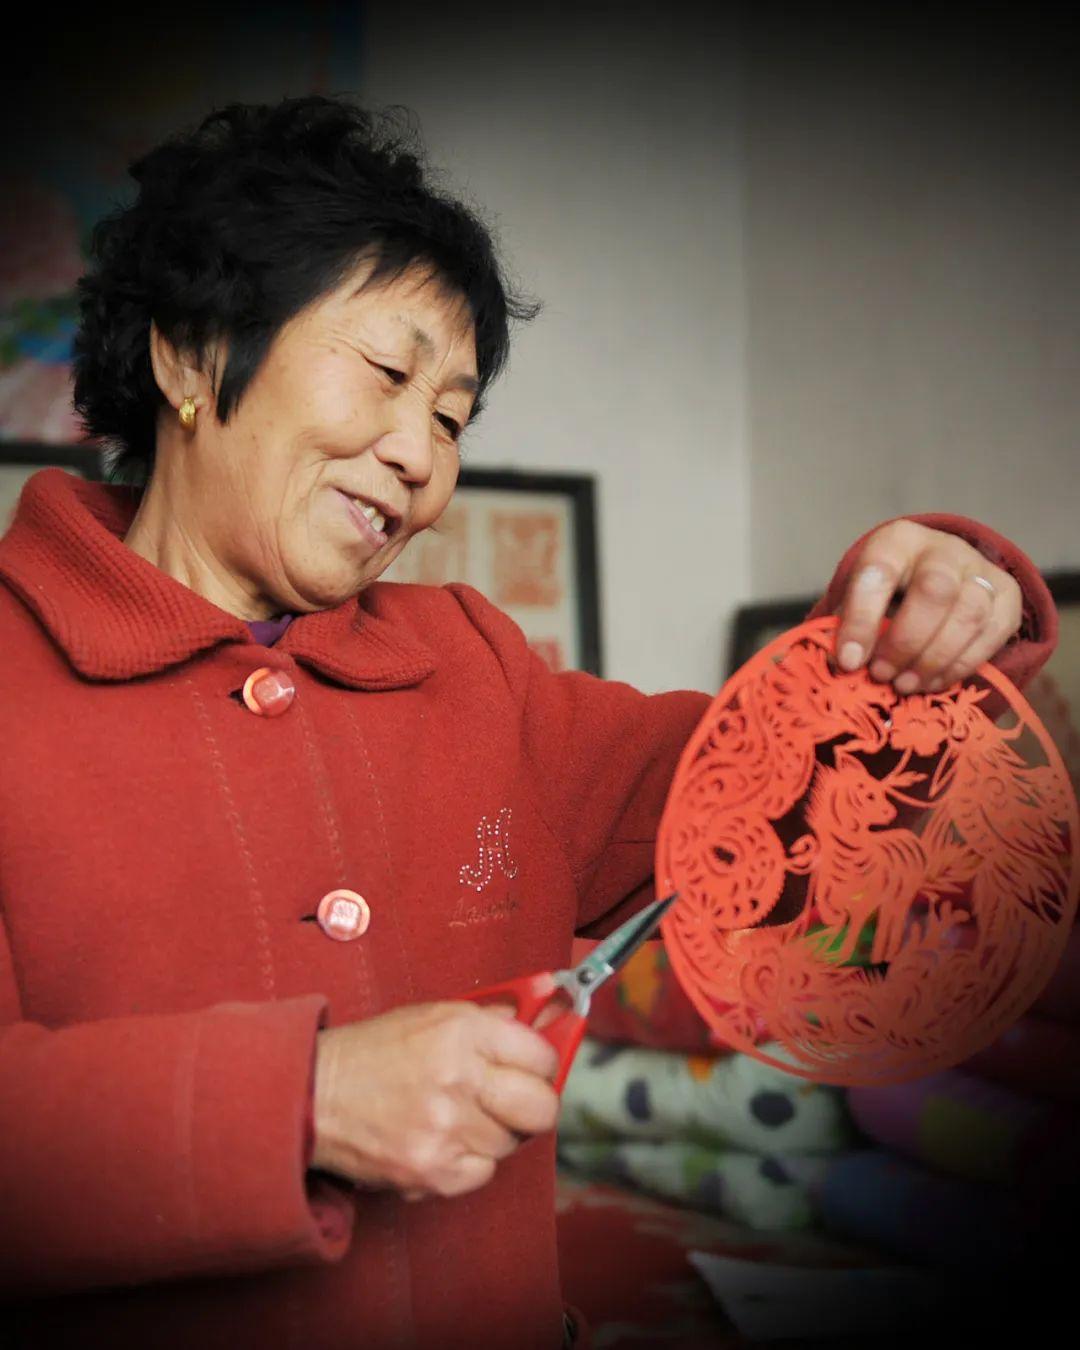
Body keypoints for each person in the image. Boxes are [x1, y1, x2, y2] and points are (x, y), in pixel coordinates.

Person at [0, 96, 1056, 1349]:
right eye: (388, 374)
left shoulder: (475, 668)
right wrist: (306, 1103)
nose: (420, 458)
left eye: (452, 417)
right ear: (189, 353)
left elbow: (782, 791)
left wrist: (920, 615)